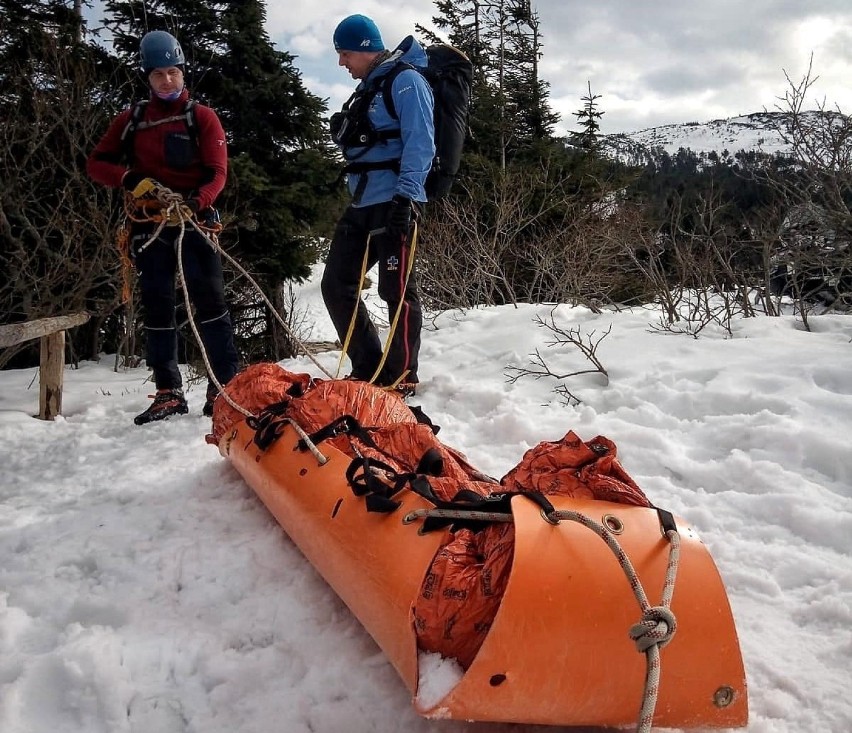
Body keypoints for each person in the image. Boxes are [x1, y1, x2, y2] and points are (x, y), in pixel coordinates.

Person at [88, 30, 239, 425]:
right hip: (149, 223)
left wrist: (193, 203)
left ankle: (221, 387)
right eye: (159, 75)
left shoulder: (201, 117)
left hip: (194, 220)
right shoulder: (132, 120)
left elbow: (217, 174)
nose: (167, 81)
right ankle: (168, 391)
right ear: (147, 77)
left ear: (183, 72)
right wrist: (128, 179)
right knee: (156, 305)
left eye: (173, 72)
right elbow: (97, 163)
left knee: (211, 303)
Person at [322, 14, 435, 397]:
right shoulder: (368, 89)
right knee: (336, 283)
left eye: (345, 54)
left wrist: (406, 197)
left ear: (366, 49)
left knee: (396, 290)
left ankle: (402, 375)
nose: (342, 63)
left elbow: (421, 143)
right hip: (363, 201)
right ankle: (369, 367)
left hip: (396, 201)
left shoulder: (406, 82)